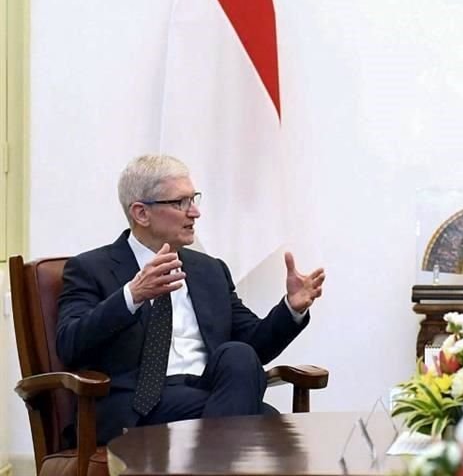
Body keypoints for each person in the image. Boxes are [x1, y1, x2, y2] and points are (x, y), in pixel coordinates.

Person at [56, 154, 325, 445]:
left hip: (210, 389)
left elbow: (254, 345)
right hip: (139, 403)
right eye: (180, 202)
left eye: (194, 199)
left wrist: (291, 308)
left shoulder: (209, 270)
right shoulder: (90, 269)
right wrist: (131, 296)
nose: (195, 212)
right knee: (268, 425)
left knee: (238, 354)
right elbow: (70, 344)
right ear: (141, 213)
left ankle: (211, 461)